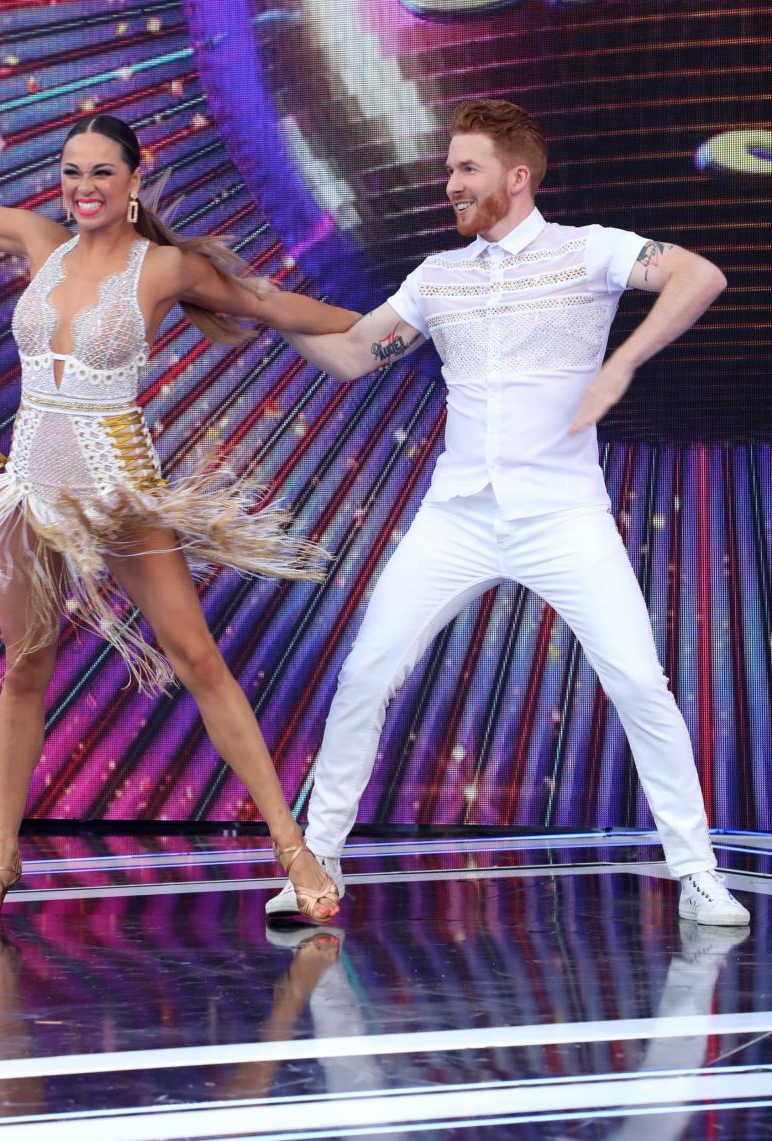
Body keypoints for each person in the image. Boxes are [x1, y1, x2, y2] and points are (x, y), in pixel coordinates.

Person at [0, 114, 357, 925]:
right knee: (25, 670)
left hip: (117, 489)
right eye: (71, 171)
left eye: (101, 173)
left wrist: (395, 323)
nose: (82, 187)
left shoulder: (165, 267)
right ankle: (0, 858)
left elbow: (274, 305)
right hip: (31, 489)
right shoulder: (41, 242)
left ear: (134, 179)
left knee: (198, 658)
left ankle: (294, 848)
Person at [267, 98, 750, 928]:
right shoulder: (437, 276)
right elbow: (352, 354)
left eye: (466, 169)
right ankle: (318, 863)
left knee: (639, 680)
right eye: (450, 167)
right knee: (366, 675)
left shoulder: (588, 251)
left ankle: (698, 871)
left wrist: (624, 364)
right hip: (456, 516)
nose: (449, 182)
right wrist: (262, 309)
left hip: (563, 515)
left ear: (515, 178)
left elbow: (700, 274)